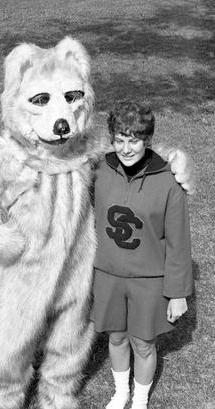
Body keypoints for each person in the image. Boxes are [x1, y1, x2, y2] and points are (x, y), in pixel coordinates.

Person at [91, 102, 193, 409]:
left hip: (148, 279)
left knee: (143, 343)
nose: (126, 148)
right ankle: (120, 393)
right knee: (117, 338)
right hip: (107, 275)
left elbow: (178, 243)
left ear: (146, 140)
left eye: (133, 140)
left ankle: (139, 399)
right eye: (119, 139)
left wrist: (177, 293)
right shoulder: (100, 171)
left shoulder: (168, 183)